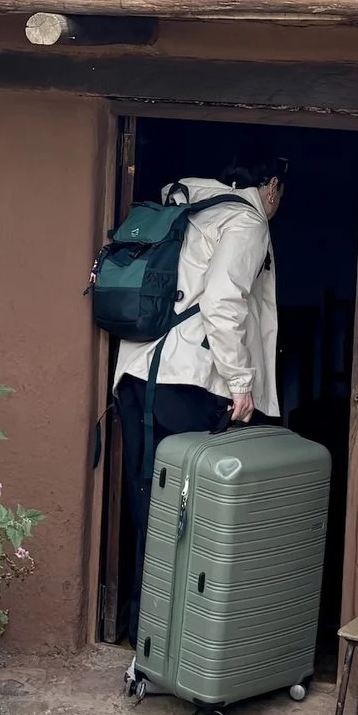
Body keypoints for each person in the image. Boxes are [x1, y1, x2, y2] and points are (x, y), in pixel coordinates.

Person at [111, 158, 283, 632]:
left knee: (147, 505)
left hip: (136, 378)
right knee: (195, 517)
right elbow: (223, 303)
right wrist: (242, 384)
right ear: (271, 186)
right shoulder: (245, 220)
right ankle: (182, 637)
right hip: (188, 384)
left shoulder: (181, 202)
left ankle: (138, 628)